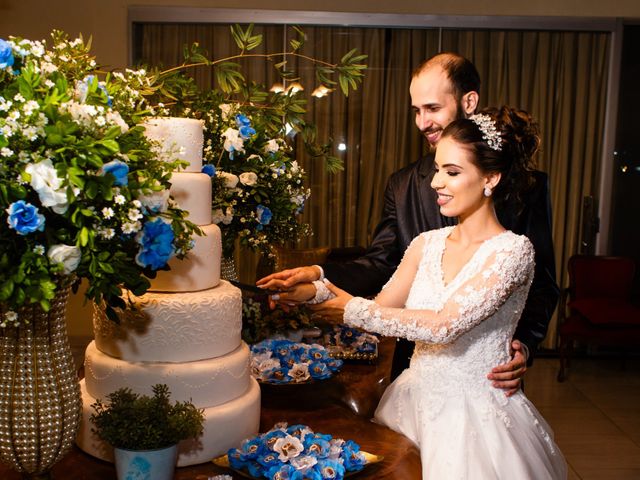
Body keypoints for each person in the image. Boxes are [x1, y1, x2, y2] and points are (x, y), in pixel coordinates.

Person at [277, 106, 568, 478]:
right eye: (436, 169)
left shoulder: (512, 252)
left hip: (474, 418)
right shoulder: (425, 244)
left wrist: (349, 310)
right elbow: (380, 310)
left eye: (452, 172)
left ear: (490, 179)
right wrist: (312, 292)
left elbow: (444, 325)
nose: (435, 183)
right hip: (412, 402)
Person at [257, 53, 558, 394]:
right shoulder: (403, 186)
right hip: (417, 368)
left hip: (487, 377)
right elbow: (379, 264)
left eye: (432, 108)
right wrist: (316, 277)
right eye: (416, 111)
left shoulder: (527, 190)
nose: (422, 122)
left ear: (468, 101)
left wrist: (524, 346)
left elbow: (543, 284)